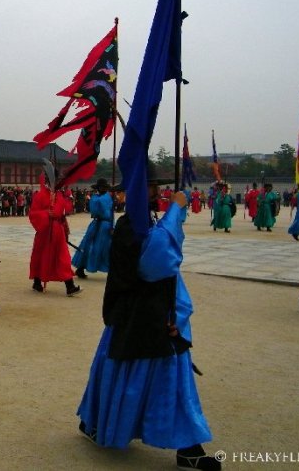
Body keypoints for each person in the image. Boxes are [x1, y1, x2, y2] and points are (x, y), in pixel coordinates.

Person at [77, 174, 220, 470]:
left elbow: (166, 256)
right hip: (139, 314)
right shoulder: (130, 224)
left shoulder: (145, 220)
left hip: (154, 309)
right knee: (156, 371)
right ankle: (97, 421)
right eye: (151, 185)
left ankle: (187, 446)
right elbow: (156, 263)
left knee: (157, 373)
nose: (157, 190)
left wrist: (170, 218)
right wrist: (176, 212)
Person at [28, 172, 81, 296]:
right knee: (41, 256)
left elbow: (62, 214)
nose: (58, 182)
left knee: (63, 257)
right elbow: (33, 214)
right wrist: (46, 214)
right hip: (45, 231)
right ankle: (37, 281)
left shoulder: (59, 195)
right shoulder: (40, 195)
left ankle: (70, 285)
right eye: (56, 179)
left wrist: (65, 228)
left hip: (58, 229)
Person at [72, 178, 114, 279]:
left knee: (107, 247)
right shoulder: (96, 198)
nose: (103, 189)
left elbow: (111, 212)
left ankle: (111, 269)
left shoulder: (105, 197)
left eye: (104, 187)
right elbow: (95, 210)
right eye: (101, 187)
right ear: (98, 188)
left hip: (106, 224)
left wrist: (112, 225)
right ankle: (81, 268)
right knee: (88, 245)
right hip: (97, 224)